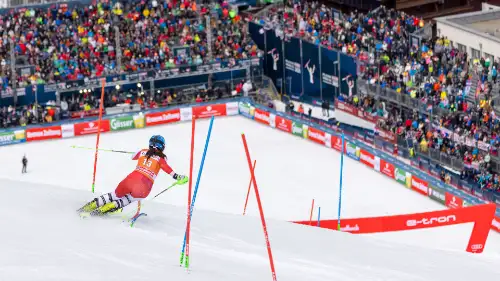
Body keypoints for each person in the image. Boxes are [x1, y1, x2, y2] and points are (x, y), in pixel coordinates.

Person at [78, 135, 188, 217]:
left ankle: (86, 208)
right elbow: (166, 167)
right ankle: (99, 213)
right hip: (144, 186)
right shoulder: (162, 158)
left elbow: (133, 157)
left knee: (113, 195)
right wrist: (177, 176)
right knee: (127, 199)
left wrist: (140, 152)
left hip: (131, 179)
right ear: (162, 147)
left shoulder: (143, 151)